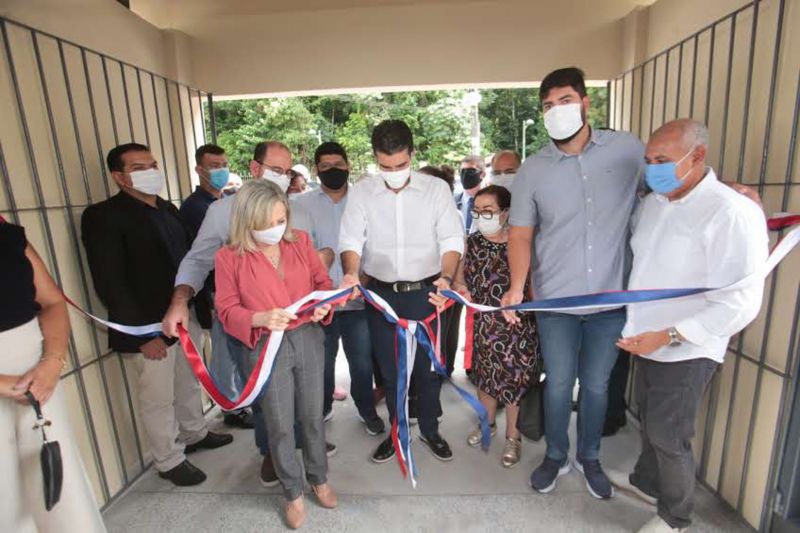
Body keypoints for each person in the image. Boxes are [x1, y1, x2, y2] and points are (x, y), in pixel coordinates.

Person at [614, 119, 767, 533]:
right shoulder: (655, 203)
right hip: (645, 338)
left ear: (697, 156)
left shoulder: (732, 212)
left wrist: (669, 335)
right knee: (650, 420)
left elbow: (740, 301)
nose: (652, 169)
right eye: (649, 161)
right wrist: (647, 335)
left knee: (668, 434)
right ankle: (647, 484)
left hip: (688, 345)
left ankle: (675, 517)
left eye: (662, 160)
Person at [502, 67, 645, 499]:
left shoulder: (628, 150)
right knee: (560, 383)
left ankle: (590, 457)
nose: (556, 111)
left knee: (598, 386)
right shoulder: (533, 170)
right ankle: (555, 455)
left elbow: (663, 190)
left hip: (610, 299)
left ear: (585, 103)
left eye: (564, 101)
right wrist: (515, 287)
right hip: (556, 303)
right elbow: (520, 234)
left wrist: (726, 190)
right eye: (547, 105)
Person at [161, 140, 327, 488]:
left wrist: (322, 295)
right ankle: (273, 454)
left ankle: (312, 458)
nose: (282, 178)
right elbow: (199, 261)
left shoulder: (298, 210)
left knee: (309, 405)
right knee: (269, 403)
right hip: (257, 332)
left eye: (287, 171)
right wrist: (180, 299)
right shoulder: (223, 213)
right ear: (255, 169)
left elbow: (318, 259)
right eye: (275, 171)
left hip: (305, 329)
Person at [82, 143, 232, 487]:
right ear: (118, 176)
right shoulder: (103, 216)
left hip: (185, 313)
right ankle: (169, 458)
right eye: (138, 167)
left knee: (188, 379)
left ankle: (194, 432)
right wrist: (140, 335)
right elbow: (110, 281)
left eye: (153, 164)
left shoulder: (167, 209)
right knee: (158, 395)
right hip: (147, 324)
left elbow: (192, 260)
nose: (151, 171)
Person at [339, 119, 464, 463]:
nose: (393, 172)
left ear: (412, 152)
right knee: (392, 370)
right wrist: (351, 273)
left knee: (427, 368)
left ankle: (429, 429)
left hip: (427, 292)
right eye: (385, 165)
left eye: (400, 164)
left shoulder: (435, 190)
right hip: (381, 296)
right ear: (375, 158)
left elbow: (452, 238)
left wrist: (448, 277)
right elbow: (351, 238)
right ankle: (398, 432)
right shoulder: (363, 191)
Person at [215, 180, 336, 529]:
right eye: (267, 223)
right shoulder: (229, 257)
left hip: (308, 337)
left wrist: (320, 308)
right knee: (280, 423)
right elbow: (225, 309)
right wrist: (259, 318)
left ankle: (319, 477)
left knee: (313, 415)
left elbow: (322, 284)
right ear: (246, 221)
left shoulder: (300, 241)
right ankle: (293, 493)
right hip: (266, 345)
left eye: (281, 219)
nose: (276, 229)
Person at [0, 216, 106, 533]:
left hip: (38, 378)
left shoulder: (8, 236)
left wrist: (52, 361)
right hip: (15, 384)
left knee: (56, 483)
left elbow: (52, 302)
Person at [445, 185, 541, 468]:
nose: (480, 217)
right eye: (476, 212)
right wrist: (461, 288)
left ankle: (513, 437)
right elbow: (460, 280)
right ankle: (486, 424)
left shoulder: (521, 242)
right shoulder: (471, 243)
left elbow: (535, 284)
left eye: (488, 212)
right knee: (485, 380)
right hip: (485, 327)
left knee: (516, 384)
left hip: (518, 327)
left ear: (506, 212)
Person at [294, 142, 385, 436]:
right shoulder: (300, 205)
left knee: (361, 361)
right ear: (316, 170)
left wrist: (363, 278)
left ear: (348, 165)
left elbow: (375, 246)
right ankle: (321, 409)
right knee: (322, 363)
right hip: (320, 305)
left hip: (358, 300)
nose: (333, 170)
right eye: (325, 166)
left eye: (338, 164)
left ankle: (366, 410)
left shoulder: (365, 200)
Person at [179, 143, 253, 430]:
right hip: (217, 294)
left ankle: (238, 401)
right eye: (213, 166)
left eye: (224, 164)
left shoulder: (224, 201)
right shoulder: (195, 208)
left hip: (234, 295)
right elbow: (202, 257)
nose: (221, 170)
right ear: (199, 169)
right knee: (224, 353)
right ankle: (231, 407)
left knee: (234, 353)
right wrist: (208, 296)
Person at [454, 155, 486, 234]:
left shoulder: (492, 201)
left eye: (470, 171)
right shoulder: (452, 202)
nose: (465, 175)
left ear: (482, 174)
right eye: (462, 171)